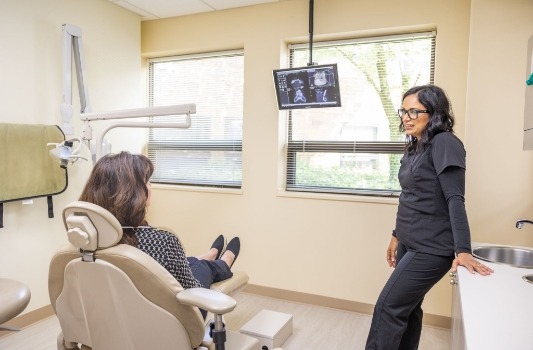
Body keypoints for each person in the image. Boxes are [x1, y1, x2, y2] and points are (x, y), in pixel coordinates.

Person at [365, 85, 493, 350]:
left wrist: (464, 250)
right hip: (409, 242)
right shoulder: (415, 146)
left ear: (433, 112)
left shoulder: (445, 143)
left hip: (432, 247)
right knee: (408, 310)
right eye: (404, 110)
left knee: (388, 308)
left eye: (415, 111)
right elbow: (411, 196)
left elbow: (454, 199)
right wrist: (396, 234)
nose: (406, 117)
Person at [79, 151, 240, 318]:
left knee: (188, 262)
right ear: (131, 194)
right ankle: (222, 262)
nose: (151, 186)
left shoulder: (85, 242)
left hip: (114, 317)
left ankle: (206, 256)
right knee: (202, 267)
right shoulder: (163, 241)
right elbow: (192, 289)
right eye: (147, 182)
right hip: (171, 321)